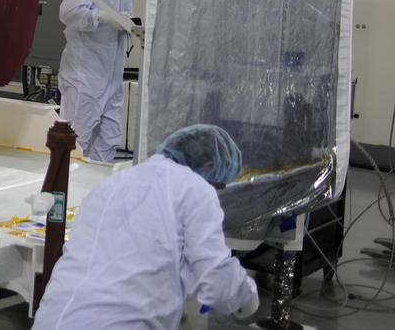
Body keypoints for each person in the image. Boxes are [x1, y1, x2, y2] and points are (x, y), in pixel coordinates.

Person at [32, 124, 260, 329]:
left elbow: (136, 259)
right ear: (209, 166)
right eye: (219, 185)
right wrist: (248, 299)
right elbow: (217, 279)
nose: (217, 192)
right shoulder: (195, 188)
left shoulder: (111, 184)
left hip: (54, 317)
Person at [57, 0, 136, 162]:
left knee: (108, 138)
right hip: (85, 73)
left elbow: (124, 13)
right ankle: (62, 183)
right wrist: (102, 17)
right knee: (75, 137)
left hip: (111, 73)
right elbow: (69, 13)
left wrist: (127, 23)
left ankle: (96, 185)